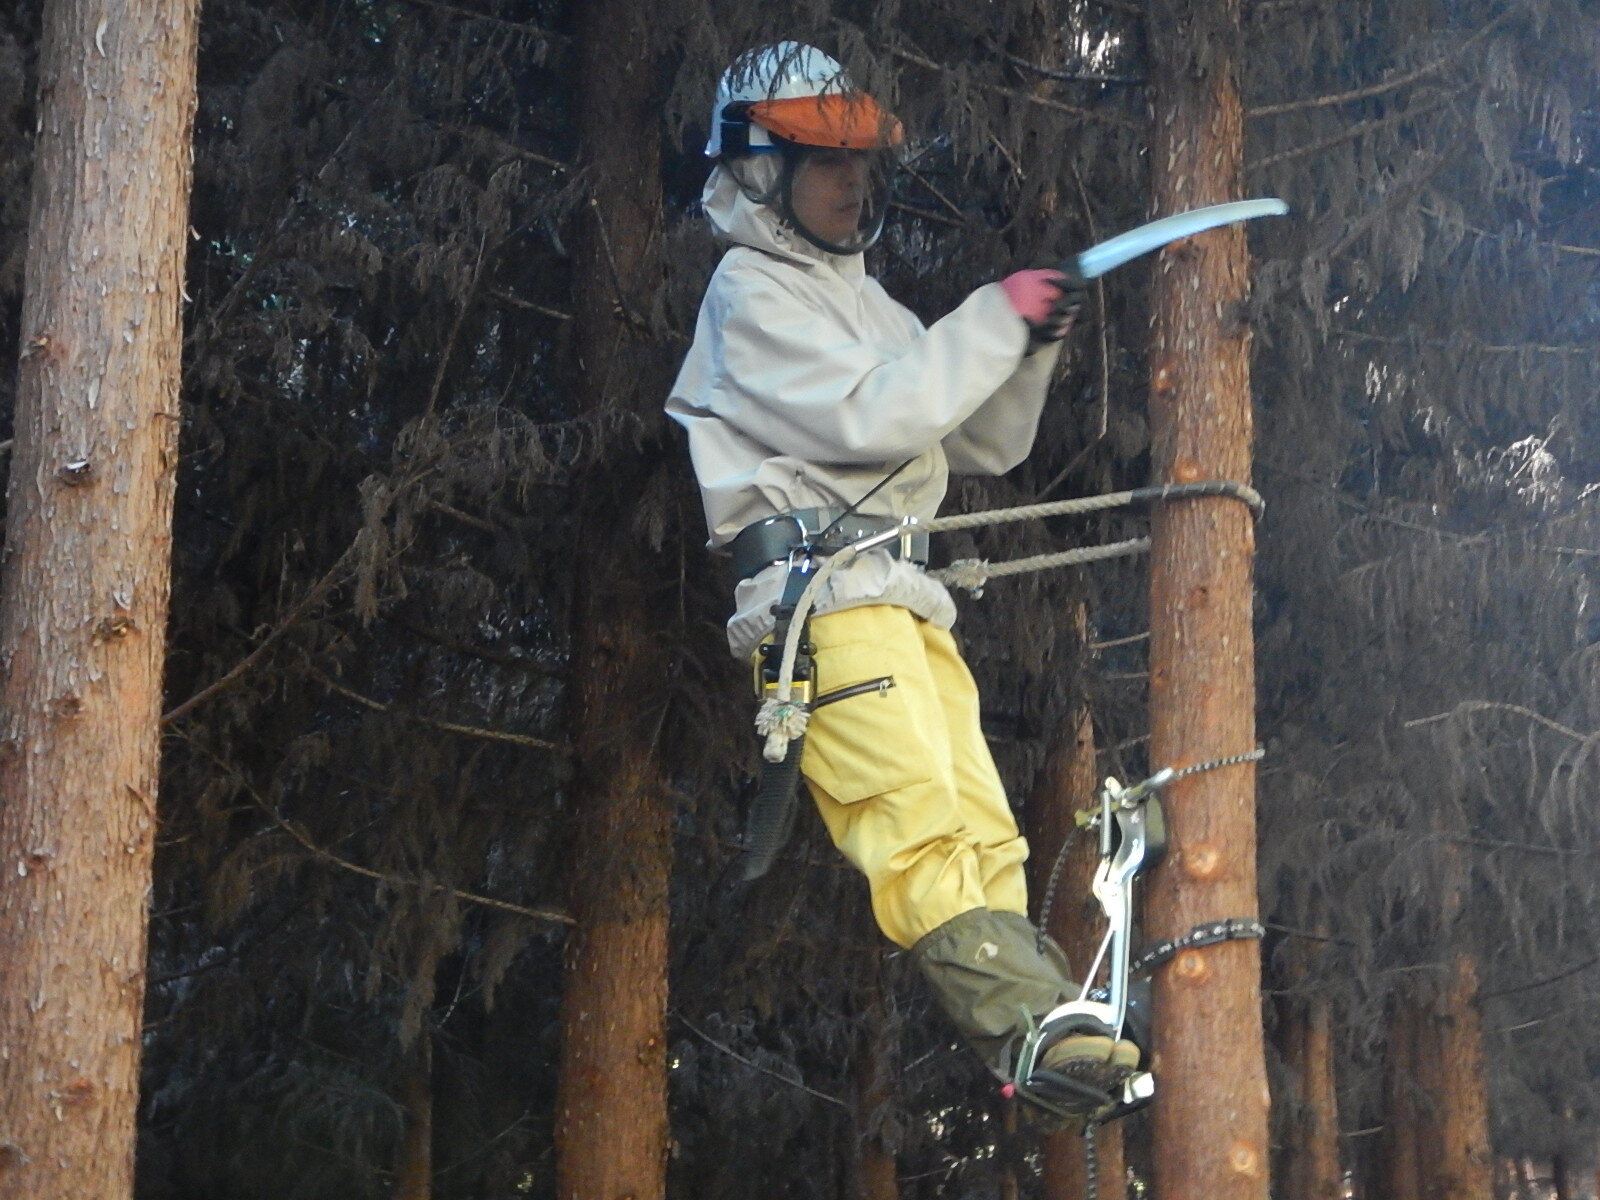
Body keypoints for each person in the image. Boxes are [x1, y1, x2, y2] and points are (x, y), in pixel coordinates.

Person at [665, 42, 1139, 1112]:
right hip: (824, 604)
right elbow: (881, 417)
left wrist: (1028, 344)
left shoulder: (865, 305)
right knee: (915, 819)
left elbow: (975, 439)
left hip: (903, 600)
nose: (852, 183)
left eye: (860, 160)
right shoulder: (751, 293)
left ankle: (1037, 1028)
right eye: (824, 160)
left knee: (982, 824)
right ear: (758, 170)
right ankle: (1019, 1021)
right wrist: (994, 317)